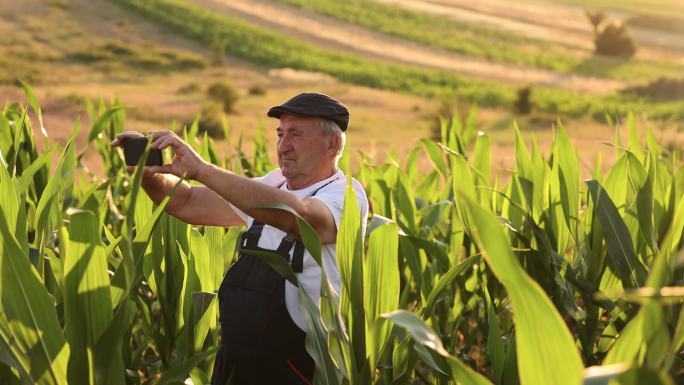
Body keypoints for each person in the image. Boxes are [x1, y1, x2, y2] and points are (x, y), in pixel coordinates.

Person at [112, 92, 369, 385]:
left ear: (332, 144)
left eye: (295, 134)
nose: (283, 146)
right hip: (237, 364)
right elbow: (186, 202)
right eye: (280, 134)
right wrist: (149, 175)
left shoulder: (344, 194)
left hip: (300, 368)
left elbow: (300, 219)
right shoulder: (271, 183)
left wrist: (203, 170)